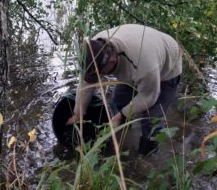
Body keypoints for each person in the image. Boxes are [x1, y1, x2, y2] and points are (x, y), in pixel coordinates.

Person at [66, 24, 182, 155]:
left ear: (113, 60)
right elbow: (87, 83)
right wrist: (77, 113)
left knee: (151, 120)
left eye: (99, 73)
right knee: (118, 100)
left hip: (167, 66)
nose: (98, 78)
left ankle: (147, 156)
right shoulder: (95, 46)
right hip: (138, 54)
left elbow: (148, 97)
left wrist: (122, 114)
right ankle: (121, 136)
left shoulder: (145, 66)